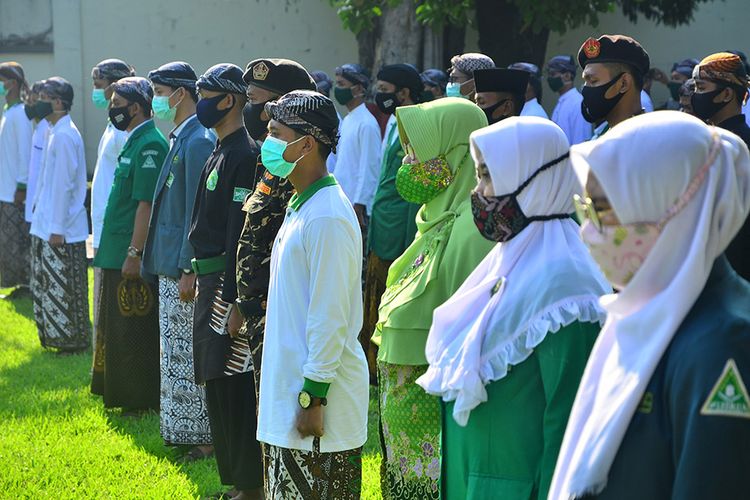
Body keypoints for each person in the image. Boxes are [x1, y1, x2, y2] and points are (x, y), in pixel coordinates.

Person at [549, 111, 750, 500]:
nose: (588, 228)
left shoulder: (724, 341)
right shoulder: (641, 311)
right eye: (585, 207)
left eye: (603, 209)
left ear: (672, 206)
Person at [416, 116, 610, 500]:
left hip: (521, 485)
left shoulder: (566, 284)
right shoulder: (506, 260)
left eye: (488, 176)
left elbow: (568, 416)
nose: (479, 192)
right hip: (475, 481)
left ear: (536, 179)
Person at [372, 97, 495, 498]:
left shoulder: (472, 230)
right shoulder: (432, 219)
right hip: (404, 420)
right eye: (407, 152)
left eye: (420, 153)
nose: (409, 164)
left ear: (457, 155)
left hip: (435, 415)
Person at [257, 89, 369, 500]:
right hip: (292, 397)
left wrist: (313, 396)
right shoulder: (303, 205)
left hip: (319, 408)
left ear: (306, 144)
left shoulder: (327, 217)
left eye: (276, 132)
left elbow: (330, 315)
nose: (268, 142)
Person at [236, 57, 317, 484]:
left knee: (287, 421)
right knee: (268, 414)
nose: (256, 113)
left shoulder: (297, 170)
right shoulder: (271, 164)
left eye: (262, 104)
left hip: (281, 312)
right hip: (259, 311)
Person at [188, 63, 263, 500]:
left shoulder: (244, 154)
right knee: (217, 379)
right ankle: (237, 482)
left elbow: (240, 232)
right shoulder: (219, 149)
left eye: (207, 93)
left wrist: (236, 298)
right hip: (209, 279)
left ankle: (250, 487)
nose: (201, 102)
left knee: (234, 382)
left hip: (226, 285)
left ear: (230, 99)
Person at [142, 62, 215, 457]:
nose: (156, 100)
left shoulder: (199, 140)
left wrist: (190, 266)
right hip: (169, 263)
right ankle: (182, 431)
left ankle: (202, 438)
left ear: (180, 93)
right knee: (174, 353)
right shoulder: (181, 137)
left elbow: (195, 212)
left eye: (159, 91)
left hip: (183, 267)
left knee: (187, 353)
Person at [91, 76, 168, 413]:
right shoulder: (133, 140)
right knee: (117, 330)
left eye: (117, 104)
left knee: (132, 330)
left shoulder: (150, 144)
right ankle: (121, 395)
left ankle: (139, 400)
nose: (112, 109)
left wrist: (134, 254)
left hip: (128, 253)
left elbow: (145, 206)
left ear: (136, 107)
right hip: (114, 250)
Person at [361, 64, 422, 382]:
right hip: (383, 218)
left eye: (385, 90)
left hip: (399, 227)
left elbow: (414, 184)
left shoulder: (416, 122)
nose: (379, 96)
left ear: (404, 93)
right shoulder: (396, 121)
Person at [28, 77, 90, 354]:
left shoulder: (65, 135)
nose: (37, 100)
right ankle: (57, 338)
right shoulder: (54, 130)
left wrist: (56, 227)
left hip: (62, 229)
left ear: (57, 101)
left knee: (63, 287)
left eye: (43, 95)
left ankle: (72, 341)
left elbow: (64, 186)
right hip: (47, 224)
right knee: (48, 286)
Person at [89, 59, 134, 366]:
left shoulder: (123, 133)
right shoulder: (111, 127)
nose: (96, 92)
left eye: (99, 85)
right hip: (103, 224)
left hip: (115, 227)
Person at [691, 52, 750, 281]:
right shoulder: (705, 140)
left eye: (701, 87)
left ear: (726, 93)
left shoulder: (739, 145)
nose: (696, 96)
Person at [332, 63, 382, 228]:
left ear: (359, 89)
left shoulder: (367, 124)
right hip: (342, 201)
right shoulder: (348, 120)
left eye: (342, 85)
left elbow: (370, 168)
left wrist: (359, 205)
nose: (337, 89)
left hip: (355, 208)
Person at [578, 35, 650, 139]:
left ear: (624, 83)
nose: (586, 89)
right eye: (585, 81)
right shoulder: (603, 134)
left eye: (593, 81)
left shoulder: (647, 139)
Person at [0, 61, 33, 289]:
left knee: (15, 241)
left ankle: (22, 285)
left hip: (14, 192)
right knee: (6, 241)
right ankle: (11, 283)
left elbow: (25, 153)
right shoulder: (8, 113)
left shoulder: (20, 114)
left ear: (12, 83)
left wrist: (22, 187)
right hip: (5, 190)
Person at [24, 81, 49, 338]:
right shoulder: (41, 127)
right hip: (36, 209)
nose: (31, 102)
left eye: (37, 97)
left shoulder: (49, 130)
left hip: (43, 211)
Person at [547, 55, 591, 145]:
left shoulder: (578, 103)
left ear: (567, 76)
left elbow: (580, 143)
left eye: (553, 74)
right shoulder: (562, 102)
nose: (550, 78)